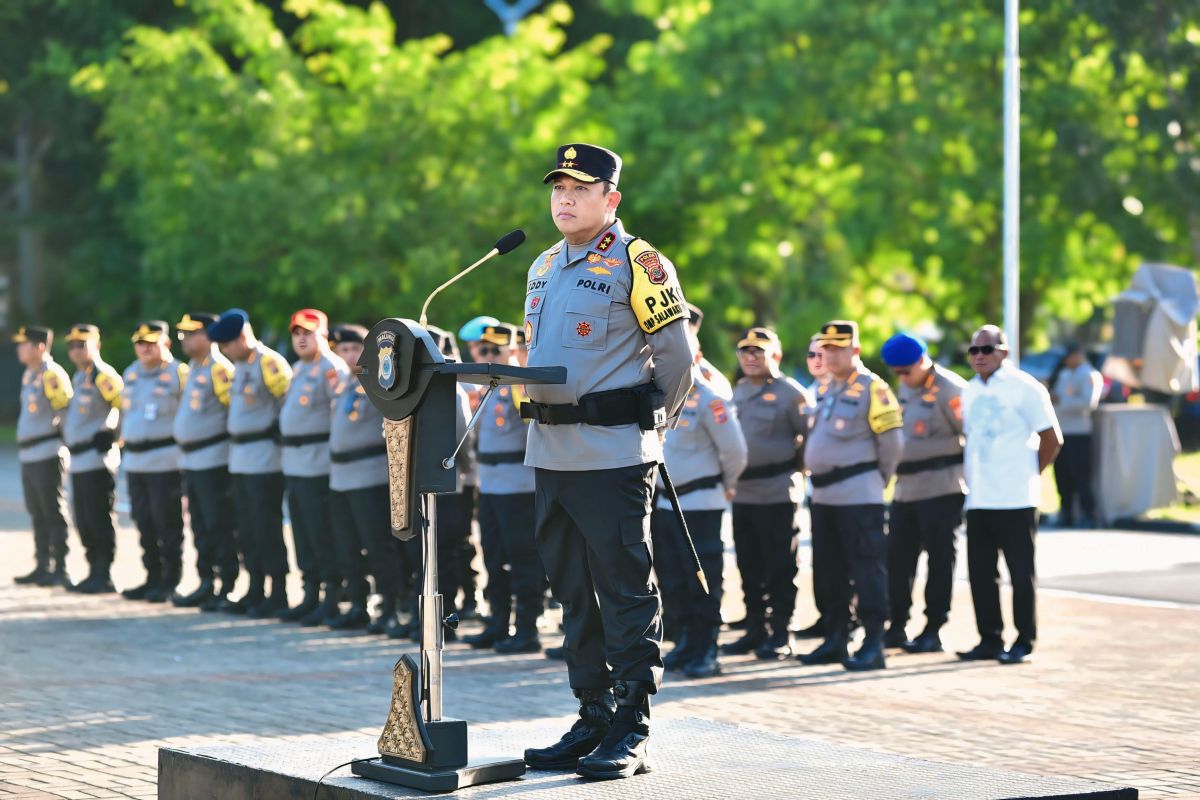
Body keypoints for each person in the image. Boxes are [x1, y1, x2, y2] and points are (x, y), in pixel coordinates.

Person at [519, 143, 693, 780]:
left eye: (579, 188)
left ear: (610, 199)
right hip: (551, 455)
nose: (564, 198)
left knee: (623, 591)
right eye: (558, 187)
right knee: (572, 594)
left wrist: (650, 430)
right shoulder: (541, 265)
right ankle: (592, 713)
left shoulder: (639, 262)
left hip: (613, 456)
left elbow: (677, 361)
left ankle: (632, 724)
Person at [798, 320, 903, 672]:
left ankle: (873, 643)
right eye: (825, 348)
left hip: (860, 496)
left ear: (855, 350)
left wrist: (874, 480)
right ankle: (836, 637)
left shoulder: (874, 388)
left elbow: (892, 445)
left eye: (837, 348)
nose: (829, 354)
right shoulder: (828, 389)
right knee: (831, 571)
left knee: (867, 570)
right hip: (825, 497)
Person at [958, 325, 1062, 665]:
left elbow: (1051, 439)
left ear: (1004, 351)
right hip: (980, 498)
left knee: (1020, 574)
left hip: (1016, 498)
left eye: (987, 349)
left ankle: (1023, 640)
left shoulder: (1024, 387)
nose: (979, 356)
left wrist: (1030, 473)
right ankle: (989, 638)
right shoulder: (970, 390)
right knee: (981, 573)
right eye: (974, 351)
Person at [654, 311, 747, 678]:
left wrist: (725, 483)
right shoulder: (660, 395)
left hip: (700, 501)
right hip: (665, 502)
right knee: (672, 577)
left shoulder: (710, 398)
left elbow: (735, 451)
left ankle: (707, 647)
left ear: (693, 357)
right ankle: (686, 642)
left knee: (703, 578)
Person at [723, 327, 812, 660]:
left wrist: (796, 469)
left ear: (775, 355)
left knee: (780, 566)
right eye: (745, 351)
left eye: (758, 351)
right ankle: (755, 628)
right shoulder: (740, 391)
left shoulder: (792, 394)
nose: (750, 357)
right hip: (744, 492)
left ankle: (781, 632)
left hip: (777, 492)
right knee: (749, 566)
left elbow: (810, 438)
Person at [880, 332, 966, 653]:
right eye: (897, 372)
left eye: (906, 371)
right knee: (898, 561)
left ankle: (933, 627)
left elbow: (970, 436)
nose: (902, 378)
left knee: (940, 561)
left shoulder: (950, 390)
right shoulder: (905, 386)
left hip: (941, 488)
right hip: (905, 491)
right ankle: (897, 623)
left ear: (922, 360)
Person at [462, 322, 545, 654]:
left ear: (512, 350)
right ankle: (498, 622)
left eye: (495, 350)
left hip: (518, 485)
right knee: (494, 557)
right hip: (490, 484)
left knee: (523, 558)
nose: (488, 355)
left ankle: (527, 627)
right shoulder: (488, 387)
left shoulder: (518, 384)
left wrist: (516, 375)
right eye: (483, 350)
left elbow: (531, 424)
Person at [207, 309, 293, 617]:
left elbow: (288, 401)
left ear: (242, 338)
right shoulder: (240, 366)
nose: (224, 351)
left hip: (265, 457)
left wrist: (279, 427)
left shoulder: (267, 362)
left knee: (266, 525)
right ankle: (256, 586)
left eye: (228, 344)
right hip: (241, 458)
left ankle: (278, 591)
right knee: (246, 528)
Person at [279, 309, 353, 627]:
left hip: (319, 463)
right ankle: (310, 593)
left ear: (323, 335)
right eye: (296, 332)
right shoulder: (296, 369)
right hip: (295, 464)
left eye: (308, 332)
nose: (301, 338)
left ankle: (331, 597)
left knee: (322, 533)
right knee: (303, 534)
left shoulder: (331, 369)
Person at [327, 324, 401, 635]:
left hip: (368, 473)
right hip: (340, 476)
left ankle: (390, 607)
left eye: (354, 348)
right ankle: (358, 604)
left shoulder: (380, 378)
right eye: (342, 349)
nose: (348, 354)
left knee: (377, 545)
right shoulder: (343, 382)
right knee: (347, 545)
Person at [172, 312, 239, 610]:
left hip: (214, 460)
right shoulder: (192, 369)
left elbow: (232, 412)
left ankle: (226, 584)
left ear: (208, 335)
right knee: (199, 524)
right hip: (193, 460)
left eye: (191, 333)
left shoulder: (219, 369)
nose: (185, 340)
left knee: (218, 523)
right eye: (182, 334)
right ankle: (205, 581)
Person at [120, 321, 188, 603]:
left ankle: (170, 580)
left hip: (165, 461)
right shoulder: (131, 373)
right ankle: (152, 577)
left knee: (167, 523)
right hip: (135, 462)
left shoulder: (180, 373)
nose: (145, 348)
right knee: (144, 522)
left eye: (151, 342)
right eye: (140, 342)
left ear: (166, 343)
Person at [61, 324, 123, 594]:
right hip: (78, 460)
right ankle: (92, 569)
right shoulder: (79, 376)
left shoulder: (103, 375)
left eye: (81, 344)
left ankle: (103, 573)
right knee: (83, 518)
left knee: (98, 516)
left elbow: (122, 404)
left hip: (97, 459)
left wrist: (111, 431)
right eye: (72, 345)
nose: (75, 350)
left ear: (96, 345)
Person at [12, 325, 73, 587]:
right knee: (37, 511)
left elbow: (66, 411)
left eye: (24, 343)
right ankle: (42, 564)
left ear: (39, 346)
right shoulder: (29, 374)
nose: (19, 348)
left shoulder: (52, 375)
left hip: (48, 452)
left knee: (52, 510)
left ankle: (60, 567)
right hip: (29, 454)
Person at [791, 333, 833, 639]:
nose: (817, 360)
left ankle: (847, 619)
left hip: (846, 487)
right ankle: (826, 614)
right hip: (815, 487)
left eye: (823, 353)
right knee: (822, 557)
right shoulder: (809, 392)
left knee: (846, 558)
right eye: (811, 355)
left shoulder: (849, 390)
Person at [1049, 344, 1102, 527]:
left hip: (1078, 432)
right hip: (1061, 431)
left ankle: (1088, 514)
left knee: (1081, 476)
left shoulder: (1089, 375)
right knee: (1062, 475)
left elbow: (1088, 403)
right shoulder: (1064, 374)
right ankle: (1066, 512)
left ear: (1078, 355)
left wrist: (1061, 401)